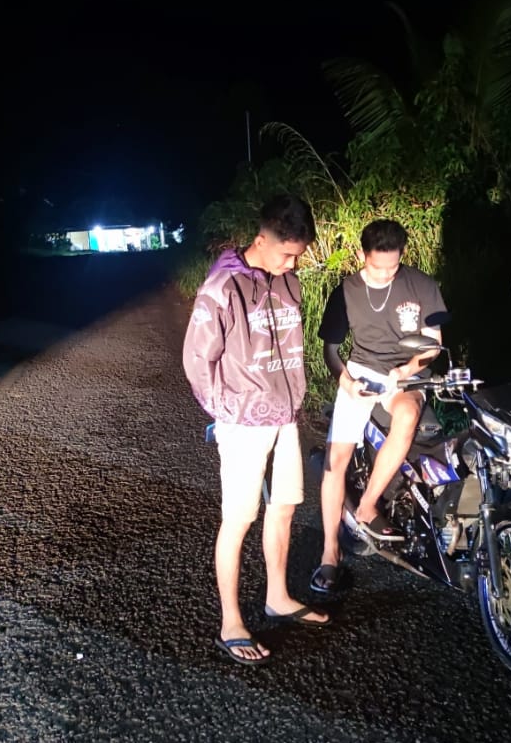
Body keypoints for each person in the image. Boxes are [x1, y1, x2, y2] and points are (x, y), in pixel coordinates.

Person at [182, 193, 331, 666]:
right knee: (239, 519)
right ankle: (231, 620)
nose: (292, 264)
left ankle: (277, 597)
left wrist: (292, 399)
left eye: (298, 256)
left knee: (284, 507)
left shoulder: (289, 282)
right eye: (287, 254)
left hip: (285, 416)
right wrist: (227, 410)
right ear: (262, 239)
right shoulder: (222, 287)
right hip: (243, 422)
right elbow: (196, 360)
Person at [312, 219, 447, 594]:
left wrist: (407, 369)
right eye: (377, 267)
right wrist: (346, 382)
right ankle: (330, 552)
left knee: (407, 415)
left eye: (393, 266)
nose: (385, 274)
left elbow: (434, 344)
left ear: (402, 255)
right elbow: (331, 350)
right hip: (360, 372)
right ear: (362, 255)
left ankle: (368, 506)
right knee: (335, 460)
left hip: (405, 375)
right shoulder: (346, 290)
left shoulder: (422, 284)